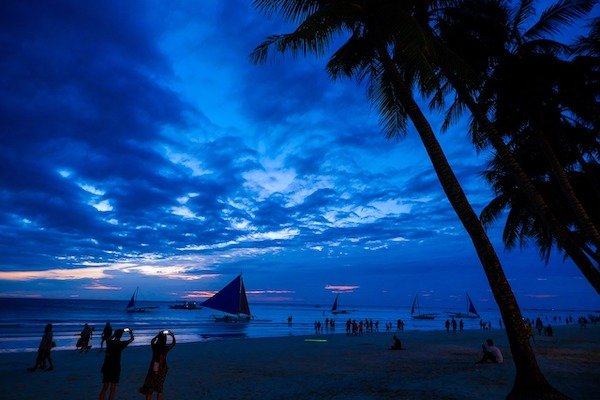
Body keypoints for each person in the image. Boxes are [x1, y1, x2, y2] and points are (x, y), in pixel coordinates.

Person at [138, 330, 176, 399]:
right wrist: (172, 335)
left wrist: (158, 335)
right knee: (160, 389)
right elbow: (173, 344)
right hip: (162, 367)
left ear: (159, 339)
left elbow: (152, 341)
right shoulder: (165, 348)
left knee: (150, 388)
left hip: (154, 367)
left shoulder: (155, 347)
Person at [99, 328, 134, 400]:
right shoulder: (121, 344)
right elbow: (132, 339)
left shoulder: (109, 342)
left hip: (107, 365)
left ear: (115, 335)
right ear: (121, 336)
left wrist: (114, 334)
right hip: (115, 366)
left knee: (105, 386)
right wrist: (130, 333)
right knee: (113, 388)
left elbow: (109, 338)